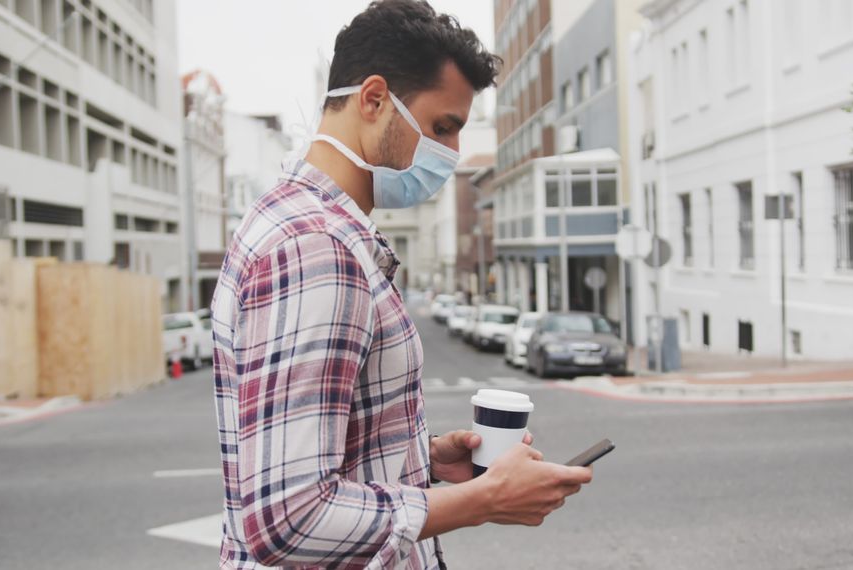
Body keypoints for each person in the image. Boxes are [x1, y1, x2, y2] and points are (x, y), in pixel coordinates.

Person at [210, 1, 592, 568]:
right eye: (442, 128)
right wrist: (480, 500)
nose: (453, 154)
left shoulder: (293, 216)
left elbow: (318, 446)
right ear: (373, 100)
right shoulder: (318, 249)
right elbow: (287, 519)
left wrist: (424, 459)